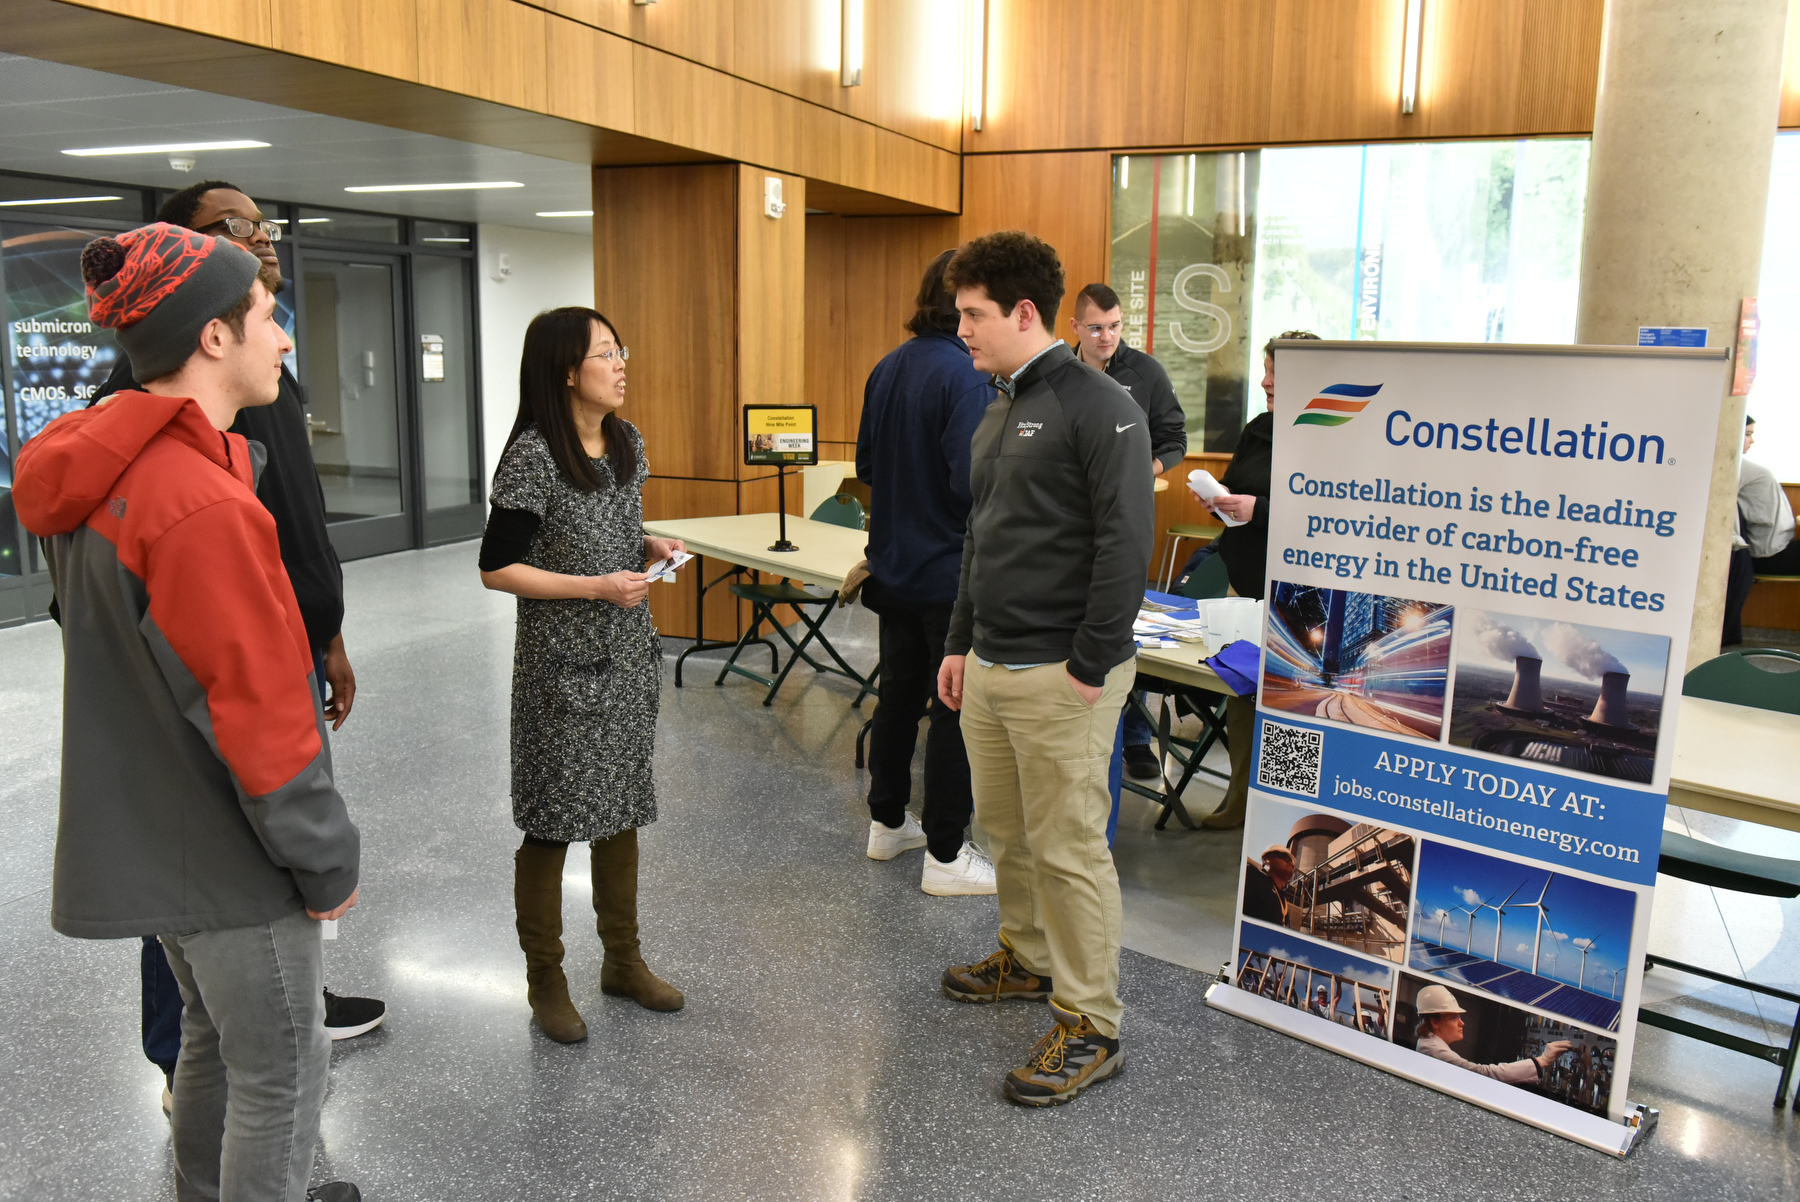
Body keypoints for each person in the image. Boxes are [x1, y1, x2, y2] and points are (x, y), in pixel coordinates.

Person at [16, 223, 361, 1202]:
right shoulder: (195, 503)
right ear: (213, 337)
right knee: (287, 1071)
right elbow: (254, 710)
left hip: (160, 830)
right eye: (266, 316)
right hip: (227, 852)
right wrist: (324, 854)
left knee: (212, 1043)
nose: (284, 338)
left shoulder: (107, 472)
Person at [89, 180, 383, 1112]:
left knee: (269, 867)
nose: (262, 239)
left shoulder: (265, 371)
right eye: (234, 228)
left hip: (288, 637)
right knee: (205, 865)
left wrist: (325, 633)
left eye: (265, 225)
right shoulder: (150, 404)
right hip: (215, 669)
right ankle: (182, 1053)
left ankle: (280, 1000)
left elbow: (299, 517)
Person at [935, 230, 1154, 1107]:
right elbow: (981, 537)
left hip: (1065, 671)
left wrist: (1091, 664)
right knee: (1009, 832)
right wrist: (958, 641)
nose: (961, 330)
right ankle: (1026, 960)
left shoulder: (1101, 407)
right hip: (990, 662)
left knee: (1068, 850)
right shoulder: (999, 404)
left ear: (1024, 313)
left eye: (973, 314)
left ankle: (1093, 1023)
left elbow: (1124, 543)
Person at [479, 306, 686, 1044]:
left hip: (626, 657)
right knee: (553, 822)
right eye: (607, 352)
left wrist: (646, 541)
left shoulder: (626, 442)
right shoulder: (534, 456)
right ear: (570, 370)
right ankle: (547, 980)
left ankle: (623, 962)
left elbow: (612, 526)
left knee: (622, 808)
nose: (622, 362)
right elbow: (496, 568)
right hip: (560, 670)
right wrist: (597, 585)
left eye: (620, 349)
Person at [855, 249, 997, 895]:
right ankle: (946, 854)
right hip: (947, 577)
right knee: (952, 712)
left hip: (893, 569)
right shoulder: (966, 379)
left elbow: (868, 467)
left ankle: (888, 824)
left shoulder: (887, 368)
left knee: (897, 700)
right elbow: (972, 485)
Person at [1196, 329, 1321, 829]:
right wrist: (1220, 499)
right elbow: (1237, 483)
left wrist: (1260, 509)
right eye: (1265, 369)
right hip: (1243, 585)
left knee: (1291, 708)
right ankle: (1239, 801)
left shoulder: (1330, 435)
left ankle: (1281, 819)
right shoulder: (1260, 427)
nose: (1265, 381)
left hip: (1298, 599)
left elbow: (1328, 511)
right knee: (1241, 696)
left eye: (1277, 374)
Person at [1068, 282, 1188, 782]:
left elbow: (1175, 436)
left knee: (1122, 620)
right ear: (1074, 327)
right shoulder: (1060, 375)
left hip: (1125, 514)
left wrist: (1149, 468)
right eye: (1096, 328)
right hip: (1071, 518)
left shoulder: (1145, 372)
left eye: (1115, 327)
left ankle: (1136, 737)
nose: (1107, 337)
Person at [1411, 985, 1569, 1085]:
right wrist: (1542, 1060)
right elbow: (1483, 1074)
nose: (1462, 1023)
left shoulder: (1429, 1044)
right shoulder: (1433, 1050)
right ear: (1435, 1022)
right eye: (1453, 1018)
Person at [1241, 845, 1295, 925]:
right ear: (1266, 860)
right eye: (1285, 858)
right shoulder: (1252, 876)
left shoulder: (1283, 900)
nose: (1290, 863)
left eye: (1292, 864)